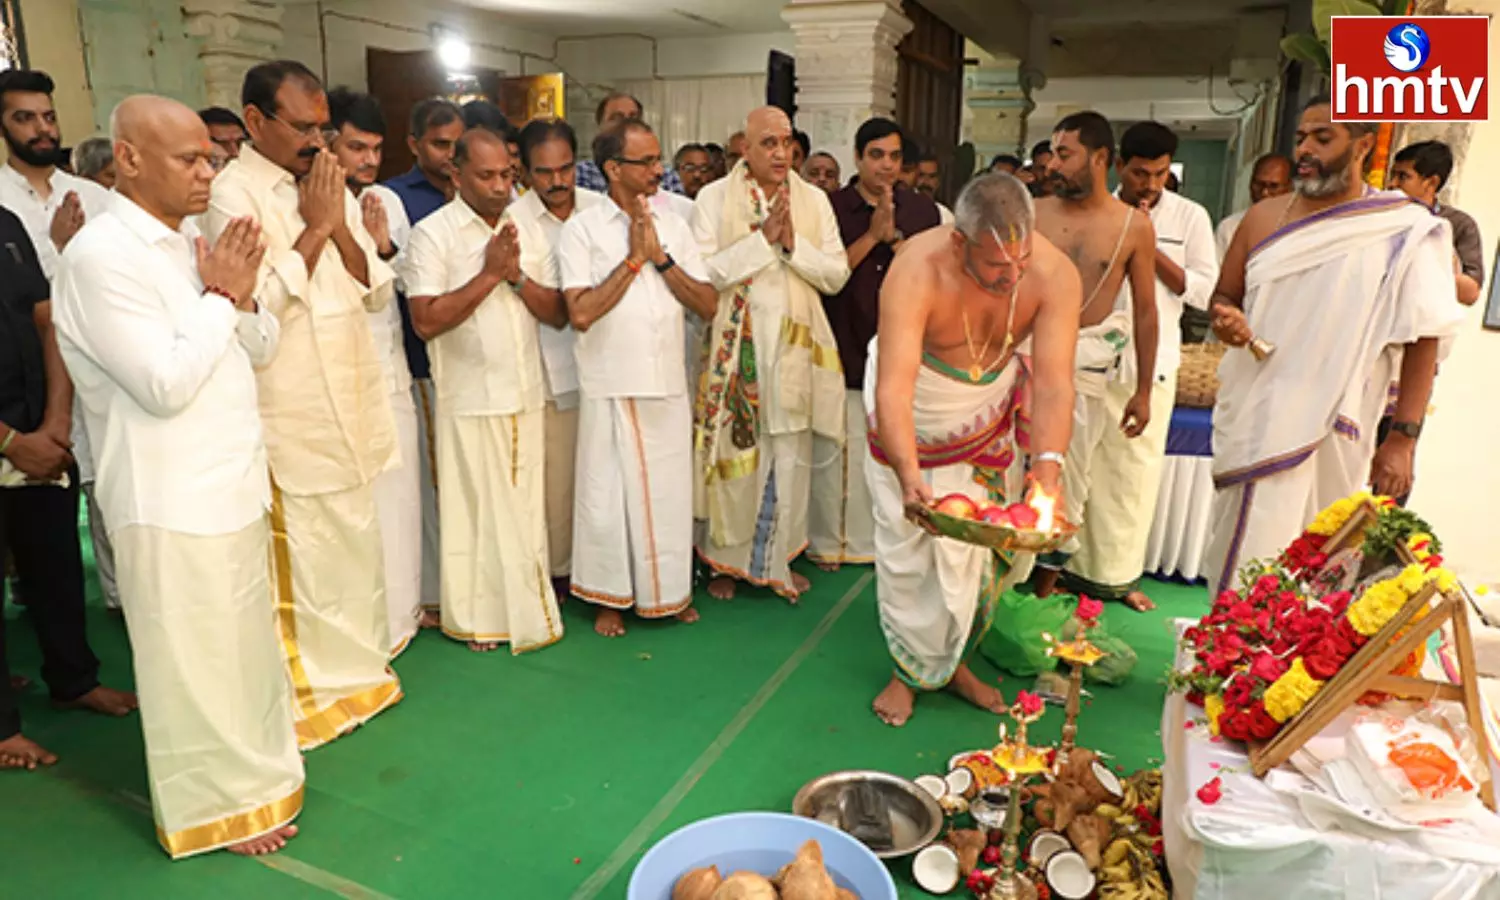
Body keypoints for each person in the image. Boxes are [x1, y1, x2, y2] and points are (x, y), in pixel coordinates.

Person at [52, 94, 302, 856]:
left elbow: (254, 348)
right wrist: (222, 294)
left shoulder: (189, 238)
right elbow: (163, 384)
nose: (209, 171)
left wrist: (240, 293)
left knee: (239, 653)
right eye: (189, 159)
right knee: (190, 667)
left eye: (210, 157)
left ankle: (257, 784)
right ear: (128, 159)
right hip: (168, 496)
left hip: (228, 480)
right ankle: (212, 811)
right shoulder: (100, 258)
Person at [205, 60, 402, 748]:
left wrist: (336, 218)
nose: (319, 141)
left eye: (325, 127)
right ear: (256, 122)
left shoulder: (326, 179)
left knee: (352, 542)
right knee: (305, 553)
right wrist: (315, 226)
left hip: (347, 385)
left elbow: (372, 283)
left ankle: (358, 674)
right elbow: (253, 308)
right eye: (305, 127)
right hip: (288, 399)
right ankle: (310, 688)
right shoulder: (232, 195)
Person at [1204, 96, 1463, 598]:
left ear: (1363, 145)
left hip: (1336, 431)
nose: (1305, 149)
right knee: (1241, 560)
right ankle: (1223, 668)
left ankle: (1291, 676)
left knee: (1318, 568)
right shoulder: (1261, 218)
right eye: (1302, 137)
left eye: (1323, 138)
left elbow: (1425, 336)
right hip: (1259, 415)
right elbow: (1224, 298)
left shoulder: (1404, 228)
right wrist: (1227, 321)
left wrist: (1403, 439)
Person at [867, 173, 1080, 727]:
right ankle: (907, 668)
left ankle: (954, 662)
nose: (1011, 278)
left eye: (1021, 262)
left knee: (977, 551)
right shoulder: (916, 268)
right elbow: (894, 386)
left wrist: (1048, 473)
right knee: (910, 553)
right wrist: (909, 472)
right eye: (995, 267)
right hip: (913, 410)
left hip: (985, 416)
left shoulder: (1054, 274)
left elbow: (1056, 382)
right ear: (959, 243)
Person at [403, 128, 565, 653]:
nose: (500, 187)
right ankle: (476, 622)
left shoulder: (527, 226)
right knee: (474, 515)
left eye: (506, 175)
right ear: (456, 174)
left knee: (522, 511)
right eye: (487, 176)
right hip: (468, 396)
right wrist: (490, 275)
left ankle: (526, 611)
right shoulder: (433, 234)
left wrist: (516, 278)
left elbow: (558, 312)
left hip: (523, 389)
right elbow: (425, 320)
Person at [557, 118, 716, 637]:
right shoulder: (581, 229)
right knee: (608, 497)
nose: (658, 170)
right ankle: (610, 597)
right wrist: (631, 261)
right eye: (646, 161)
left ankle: (668, 593)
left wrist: (661, 260)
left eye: (657, 159)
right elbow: (579, 313)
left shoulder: (675, 223)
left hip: (667, 378)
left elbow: (709, 303)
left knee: (669, 495)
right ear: (613, 169)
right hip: (611, 380)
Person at [691, 106, 850, 602]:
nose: (780, 153)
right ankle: (725, 563)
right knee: (735, 455)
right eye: (768, 143)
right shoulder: (713, 198)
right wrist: (761, 242)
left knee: (788, 457)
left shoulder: (814, 202)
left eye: (786, 143)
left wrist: (790, 246)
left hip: (794, 350)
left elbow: (836, 274)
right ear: (745, 147)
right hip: (738, 352)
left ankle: (776, 560)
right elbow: (706, 273)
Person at [0, 204, 138, 770]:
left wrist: (56, 421)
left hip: (41, 427)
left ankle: (73, 680)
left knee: (54, 568)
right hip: (13, 438)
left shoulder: (6, 225)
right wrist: (10, 442)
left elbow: (45, 318)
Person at [1060, 121, 1216, 611]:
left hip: (1153, 363)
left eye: (1161, 174)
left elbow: (1204, 292)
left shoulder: (1190, 217)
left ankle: (1119, 578)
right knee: (1075, 470)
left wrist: (1145, 248)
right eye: (1141, 173)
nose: (1150, 184)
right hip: (1085, 359)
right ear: (1117, 165)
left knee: (1133, 475)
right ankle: (1061, 569)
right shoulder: (1094, 212)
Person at [1030, 112, 1158, 604]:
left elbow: (1146, 313)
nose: (1053, 163)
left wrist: (1143, 392)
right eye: (1053, 152)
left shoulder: (1133, 227)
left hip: (1085, 371)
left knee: (1070, 484)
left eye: (1065, 154)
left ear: (1100, 158)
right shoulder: (1034, 212)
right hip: (1026, 361)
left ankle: (1041, 598)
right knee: (1008, 477)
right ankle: (997, 593)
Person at [0, 69, 116, 613]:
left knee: (108, 486)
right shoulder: (0, 200)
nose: (42, 129)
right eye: (25, 118)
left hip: (102, 360)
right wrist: (61, 253)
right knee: (36, 510)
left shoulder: (93, 195)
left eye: (48, 116)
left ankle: (119, 601)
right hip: (25, 373)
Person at [811, 118, 940, 571]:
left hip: (902, 351)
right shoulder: (829, 207)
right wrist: (872, 236)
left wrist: (898, 238)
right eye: (877, 155)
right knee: (837, 453)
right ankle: (832, 543)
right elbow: (824, 277)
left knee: (892, 448)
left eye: (895, 156)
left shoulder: (924, 211)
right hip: (844, 341)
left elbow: (932, 276)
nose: (886, 165)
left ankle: (887, 542)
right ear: (858, 158)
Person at [326, 87, 425, 655]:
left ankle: (401, 617)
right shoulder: (308, 202)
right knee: (357, 508)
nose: (367, 160)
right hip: (342, 376)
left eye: (374, 149)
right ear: (327, 144)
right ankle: (365, 628)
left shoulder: (381, 200)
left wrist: (382, 246)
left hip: (389, 366)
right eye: (355, 147)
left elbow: (405, 280)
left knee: (400, 498)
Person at [509, 118, 603, 598]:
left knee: (603, 475)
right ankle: (560, 575)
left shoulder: (601, 209)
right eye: (544, 173)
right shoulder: (514, 221)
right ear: (524, 172)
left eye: (565, 168)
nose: (558, 182)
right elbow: (557, 310)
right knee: (557, 484)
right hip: (549, 370)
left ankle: (601, 570)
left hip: (606, 366)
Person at [383, 97, 464, 623]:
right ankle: (437, 592)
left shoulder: (485, 189)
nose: (450, 155)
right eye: (439, 145)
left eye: (458, 144)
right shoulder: (394, 197)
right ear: (414, 145)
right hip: (425, 359)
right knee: (436, 483)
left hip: (478, 361)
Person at [1387, 140, 1485, 306]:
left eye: (1403, 177)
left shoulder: (1459, 224)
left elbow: (1470, 293)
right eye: (1392, 176)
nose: (1392, 184)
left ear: (1431, 183)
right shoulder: (1379, 216)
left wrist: (1426, 265)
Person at [575, 92, 685, 195]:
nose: (626, 123)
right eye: (617, 118)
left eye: (633, 117)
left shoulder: (667, 176)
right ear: (600, 125)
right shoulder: (581, 174)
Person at [1215, 153, 1292, 262]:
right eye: (1259, 184)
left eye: (1273, 186)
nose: (1264, 192)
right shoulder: (1229, 227)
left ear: (1290, 187)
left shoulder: (1300, 229)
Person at [914, 152, 954, 224]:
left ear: (938, 181)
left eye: (932, 176)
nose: (926, 182)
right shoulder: (901, 212)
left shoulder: (946, 216)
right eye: (921, 175)